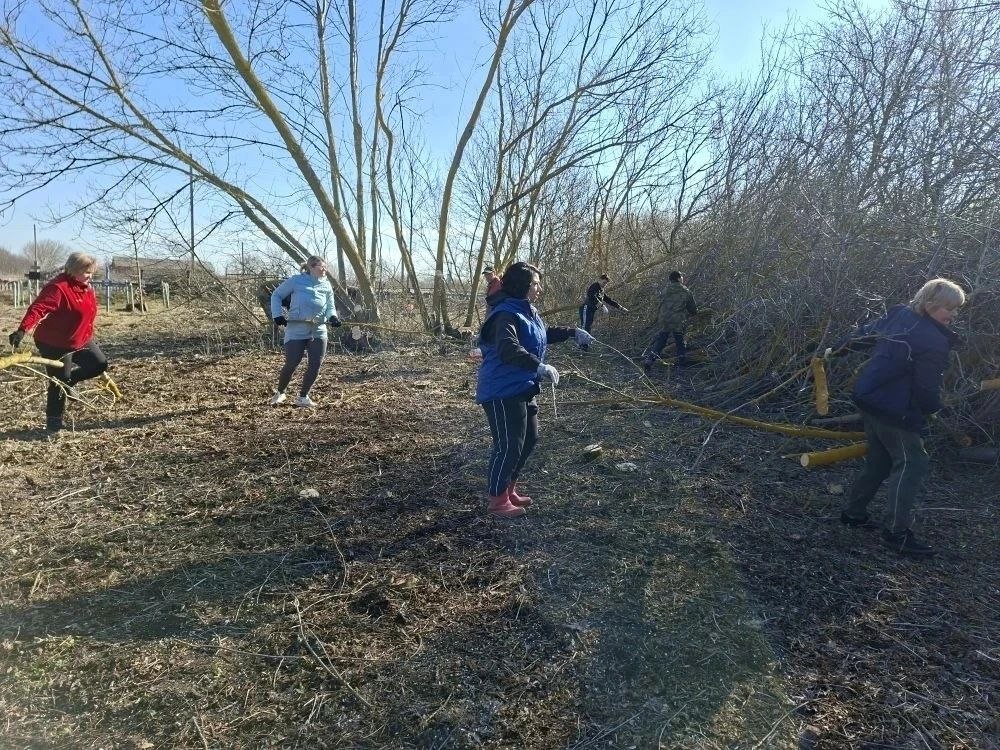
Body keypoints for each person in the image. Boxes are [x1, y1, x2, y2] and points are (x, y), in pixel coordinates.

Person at [839, 278, 965, 558]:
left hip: (869, 398)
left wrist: (836, 348)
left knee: (880, 461)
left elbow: (862, 335)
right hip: (895, 410)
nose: (954, 315)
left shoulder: (899, 315)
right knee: (913, 464)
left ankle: (854, 513)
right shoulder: (933, 341)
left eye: (957, 310)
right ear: (931, 305)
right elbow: (925, 388)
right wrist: (932, 408)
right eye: (950, 309)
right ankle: (896, 532)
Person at [476, 262, 596, 517]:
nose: (539, 288)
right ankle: (497, 501)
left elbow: (541, 333)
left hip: (522, 386)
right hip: (501, 389)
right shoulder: (504, 314)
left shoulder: (526, 310)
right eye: (536, 283)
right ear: (523, 286)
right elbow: (508, 348)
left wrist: (573, 332)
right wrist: (539, 366)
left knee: (528, 439)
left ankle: (509, 488)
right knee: (508, 445)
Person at [7, 251, 108, 433]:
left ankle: (71, 381)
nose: (90, 276)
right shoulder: (58, 288)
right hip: (55, 342)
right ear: (73, 270)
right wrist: (22, 330)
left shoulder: (86, 287)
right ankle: (54, 420)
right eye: (86, 272)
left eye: (91, 272)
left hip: (80, 338)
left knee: (99, 363)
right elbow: (38, 308)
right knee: (58, 381)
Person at [269, 256, 340, 407]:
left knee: (315, 364)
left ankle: (303, 397)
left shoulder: (326, 285)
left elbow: (330, 306)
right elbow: (276, 295)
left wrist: (333, 317)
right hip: (297, 329)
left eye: (325, 267)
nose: (325, 270)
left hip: (318, 329)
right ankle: (280, 392)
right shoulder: (296, 281)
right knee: (292, 363)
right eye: (322, 267)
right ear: (312, 268)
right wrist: (277, 315)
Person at [642, 270, 698, 371]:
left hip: (664, 319)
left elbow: (661, 302)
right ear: (678, 278)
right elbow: (693, 309)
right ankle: (681, 366)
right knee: (680, 341)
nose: (682, 278)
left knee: (661, 340)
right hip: (678, 320)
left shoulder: (665, 290)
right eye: (681, 277)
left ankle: (649, 360)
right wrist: (693, 315)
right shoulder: (686, 291)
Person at [578, 273, 627, 350]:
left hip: (591, 311)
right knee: (585, 327)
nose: (605, 284)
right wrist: (602, 305)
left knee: (588, 327)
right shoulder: (595, 286)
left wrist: (621, 307)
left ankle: (584, 346)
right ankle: (581, 347)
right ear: (599, 280)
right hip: (586, 308)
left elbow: (609, 300)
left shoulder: (601, 290)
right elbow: (591, 295)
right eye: (604, 282)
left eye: (606, 283)